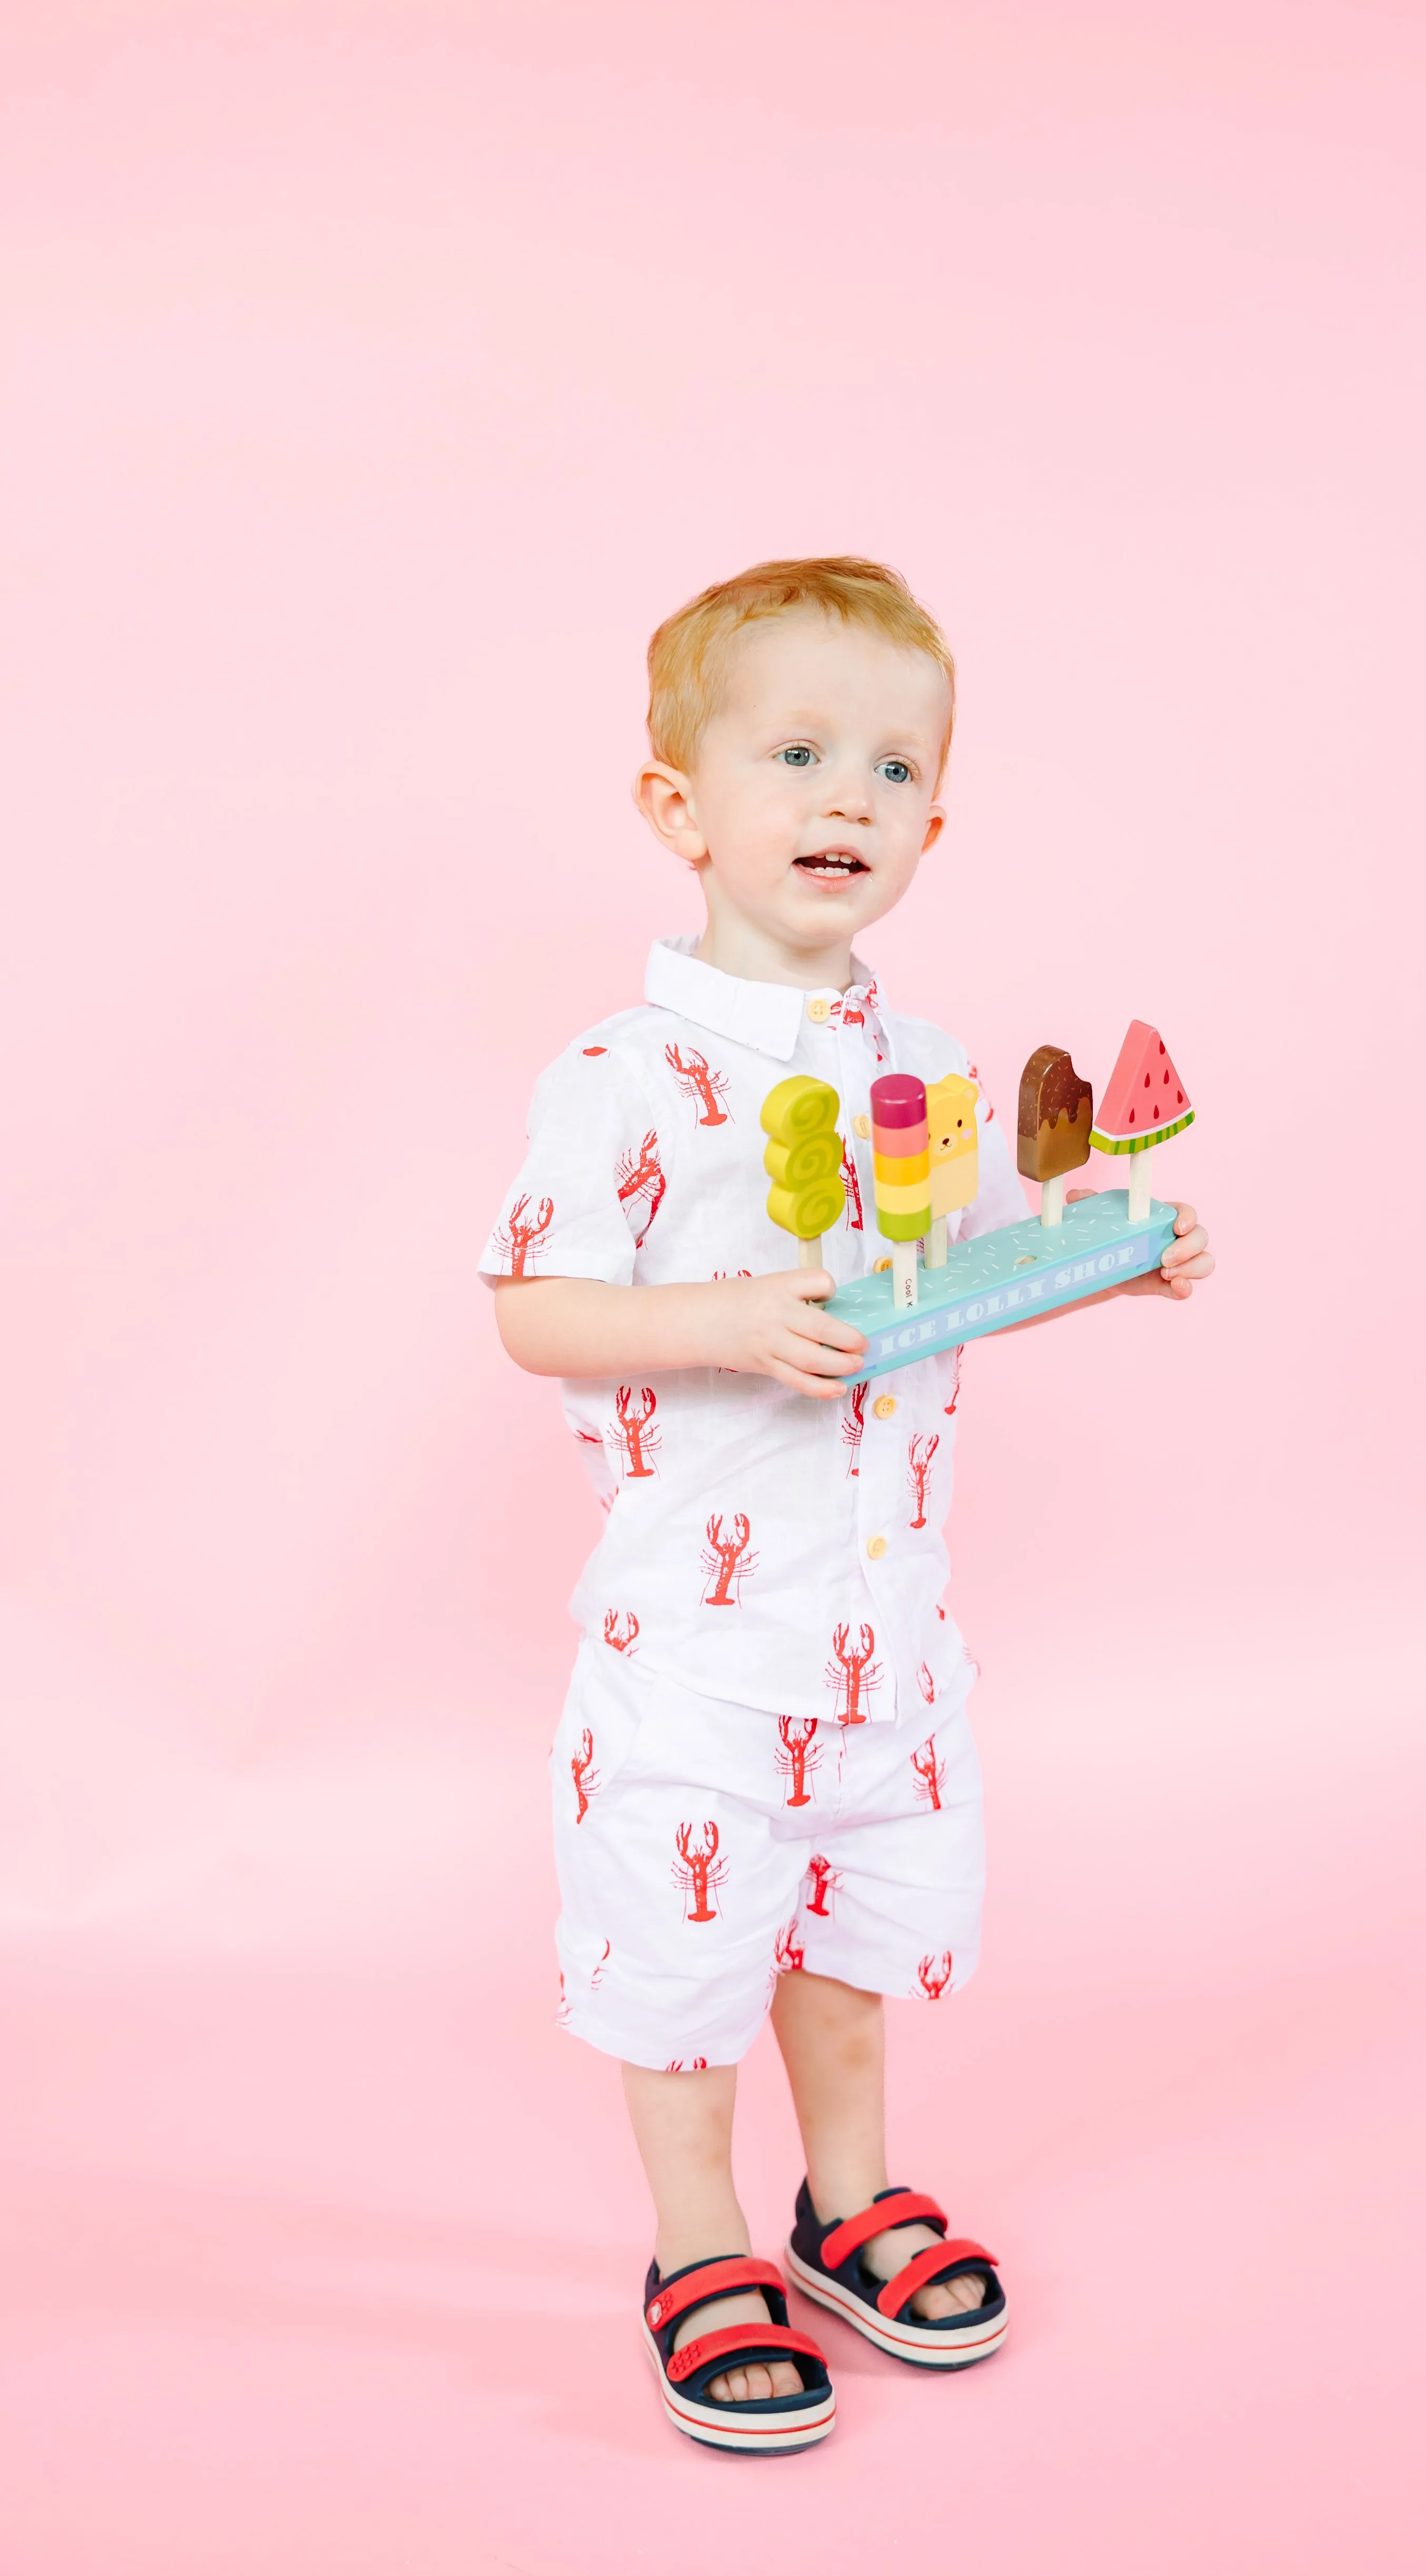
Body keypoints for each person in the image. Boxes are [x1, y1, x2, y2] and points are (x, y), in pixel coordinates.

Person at [482, 556, 1214, 2452]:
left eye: (891, 770)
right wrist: (722, 1318)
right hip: (700, 1647)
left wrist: (1101, 1257)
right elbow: (533, 1309)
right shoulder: (619, 1074)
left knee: (848, 1941)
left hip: (885, 1632)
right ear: (678, 806)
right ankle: (698, 2235)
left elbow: (943, 1269)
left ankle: (844, 2199)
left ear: (932, 825)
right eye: (795, 752)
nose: (843, 802)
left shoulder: (930, 1067)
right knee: (683, 1961)